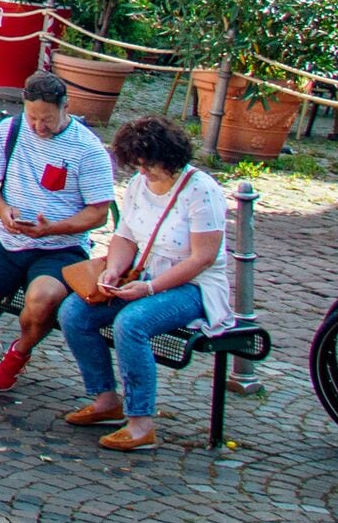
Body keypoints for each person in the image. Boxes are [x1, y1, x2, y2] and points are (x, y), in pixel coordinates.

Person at [53, 117, 228, 450]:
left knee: (131, 323)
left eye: (150, 165)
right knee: (74, 313)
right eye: (139, 165)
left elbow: (202, 258)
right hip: (142, 274)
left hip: (194, 286)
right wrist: (113, 270)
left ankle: (140, 421)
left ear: (170, 157)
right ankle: (106, 399)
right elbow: (126, 236)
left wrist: (150, 289)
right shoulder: (138, 184)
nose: (144, 171)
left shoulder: (201, 190)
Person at [0, 70, 117, 391]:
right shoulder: (9, 130)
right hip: (8, 241)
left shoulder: (88, 149)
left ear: (66, 107)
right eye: (32, 117)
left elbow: (99, 213)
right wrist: (2, 210)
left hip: (61, 249)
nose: (38, 126)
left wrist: (54, 228)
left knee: (42, 300)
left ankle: (19, 352)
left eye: (47, 119)